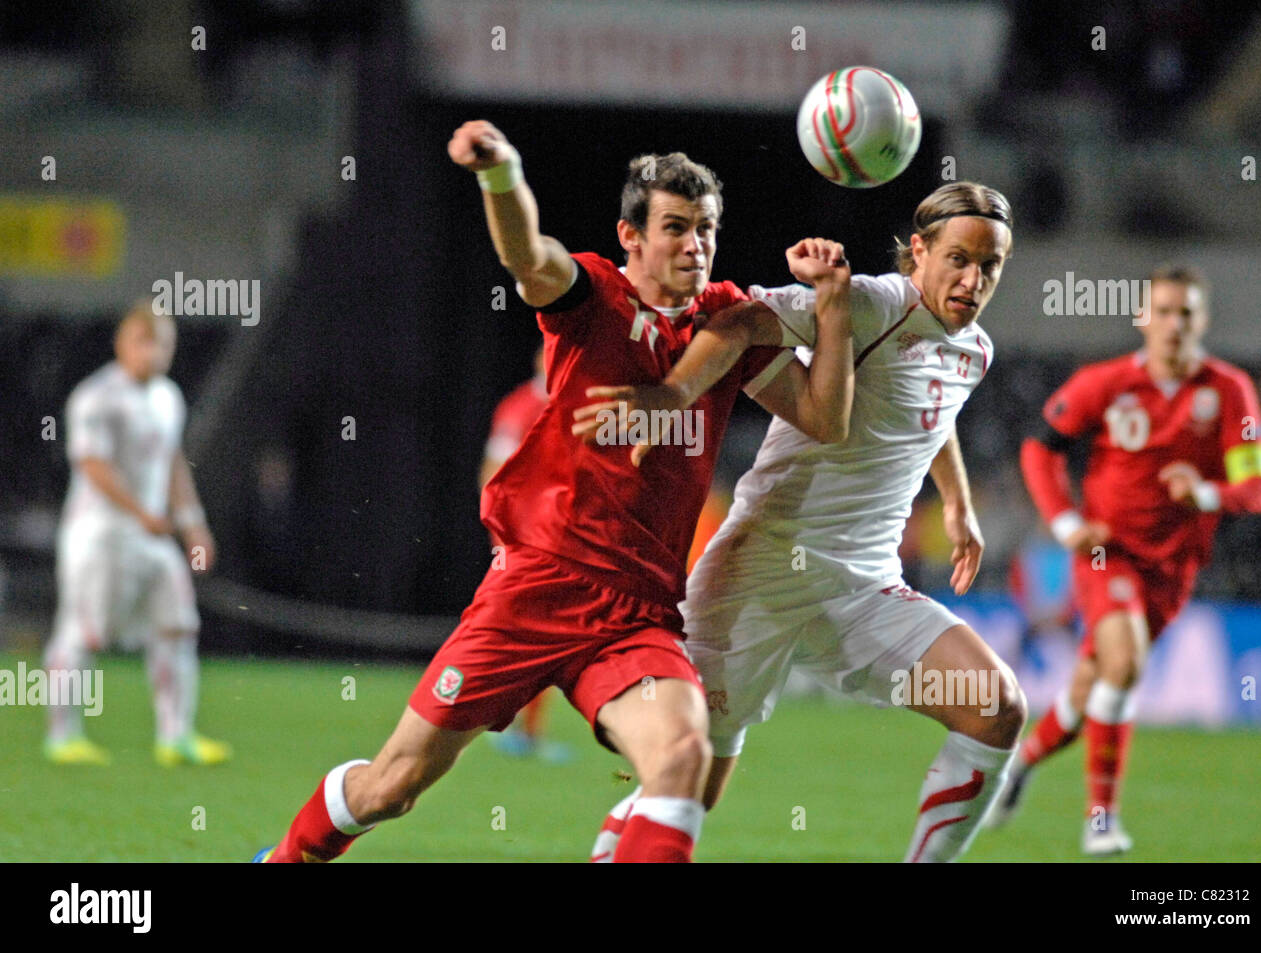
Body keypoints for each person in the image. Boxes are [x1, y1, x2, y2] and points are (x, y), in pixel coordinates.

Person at [255, 120, 857, 863]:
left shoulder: (724, 324)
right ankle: (286, 858)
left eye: (705, 228)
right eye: (674, 227)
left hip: (636, 611)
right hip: (536, 588)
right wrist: (500, 175)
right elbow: (527, 254)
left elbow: (825, 419)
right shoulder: (595, 300)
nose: (694, 244)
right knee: (395, 783)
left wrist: (830, 307)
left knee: (683, 755)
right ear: (630, 236)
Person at [581, 182, 1026, 863]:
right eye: (958, 258)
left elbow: (934, 415)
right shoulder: (872, 302)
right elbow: (737, 322)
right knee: (689, 786)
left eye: (990, 266)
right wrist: (671, 394)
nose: (973, 279)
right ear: (919, 251)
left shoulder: (974, 349)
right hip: (759, 576)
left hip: (863, 589)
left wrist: (958, 501)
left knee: (996, 708)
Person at [991, 265, 1261, 854]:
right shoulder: (1106, 382)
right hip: (1105, 553)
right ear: (1143, 319)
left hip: (1173, 569)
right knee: (1122, 666)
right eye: (1164, 312)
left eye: (1186, 314)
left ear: (1203, 322)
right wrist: (1067, 523)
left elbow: (1259, 488)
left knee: (1091, 685)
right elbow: (1041, 448)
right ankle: (1101, 820)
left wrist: (1205, 493)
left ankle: (1018, 765)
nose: (1174, 325)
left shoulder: (1229, 391)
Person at [44, 301, 230, 767]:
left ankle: (175, 736)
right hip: (99, 534)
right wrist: (140, 512)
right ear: (122, 344)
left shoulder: (168, 397)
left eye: (163, 343)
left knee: (178, 625)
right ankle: (62, 735)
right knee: (84, 632)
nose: (154, 352)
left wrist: (194, 525)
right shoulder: (96, 396)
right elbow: (91, 464)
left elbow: (171, 462)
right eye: (144, 341)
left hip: (150, 534)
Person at [478, 343, 570, 762]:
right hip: (526, 537)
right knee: (524, 630)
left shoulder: (570, 403)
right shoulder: (521, 408)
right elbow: (494, 472)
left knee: (550, 632)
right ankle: (500, 722)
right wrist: (506, 534)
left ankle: (527, 731)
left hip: (560, 536)